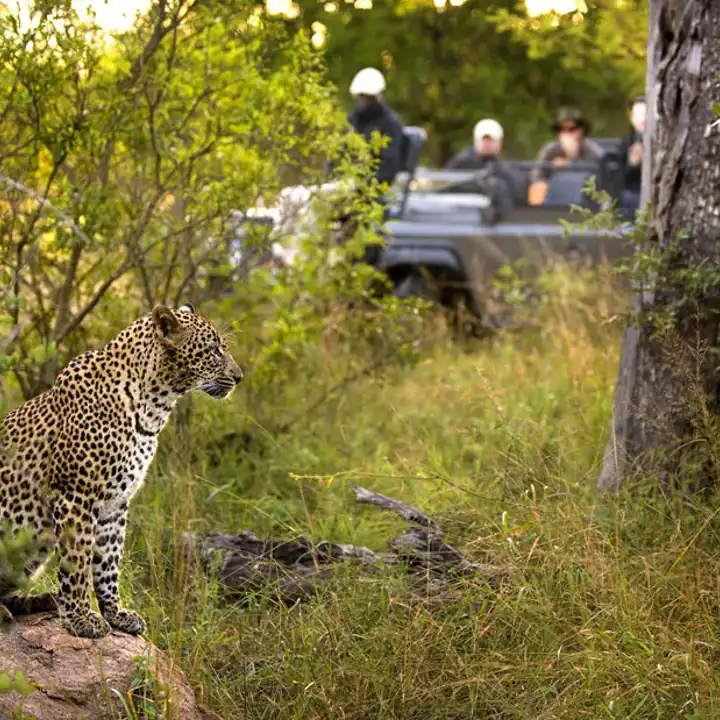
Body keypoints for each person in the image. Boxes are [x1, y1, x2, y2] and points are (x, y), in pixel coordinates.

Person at [528, 107, 604, 205]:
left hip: (584, 200)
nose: (567, 134)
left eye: (571, 129)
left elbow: (600, 179)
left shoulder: (592, 150)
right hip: (554, 199)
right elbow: (536, 175)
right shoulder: (550, 150)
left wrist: (571, 158)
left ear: (581, 130)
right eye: (562, 130)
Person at [346, 67, 405, 189]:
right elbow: (338, 155)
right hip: (347, 185)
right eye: (360, 96)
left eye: (367, 97)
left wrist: (363, 186)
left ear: (376, 96)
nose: (362, 100)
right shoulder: (351, 121)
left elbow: (388, 167)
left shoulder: (390, 125)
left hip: (372, 190)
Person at [444, 118, 516, 209]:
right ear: (475, 141)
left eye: (491, 140)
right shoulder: (461, 163)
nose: (487, 144)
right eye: (483, 140)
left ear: (500, 143)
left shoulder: (502, 168)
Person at [618, 95, 645, 218]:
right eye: (638, 116)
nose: (642, 120)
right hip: (633, 193)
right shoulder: (626, 142)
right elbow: (619, 178)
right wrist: (633, 163)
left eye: (645, 115)